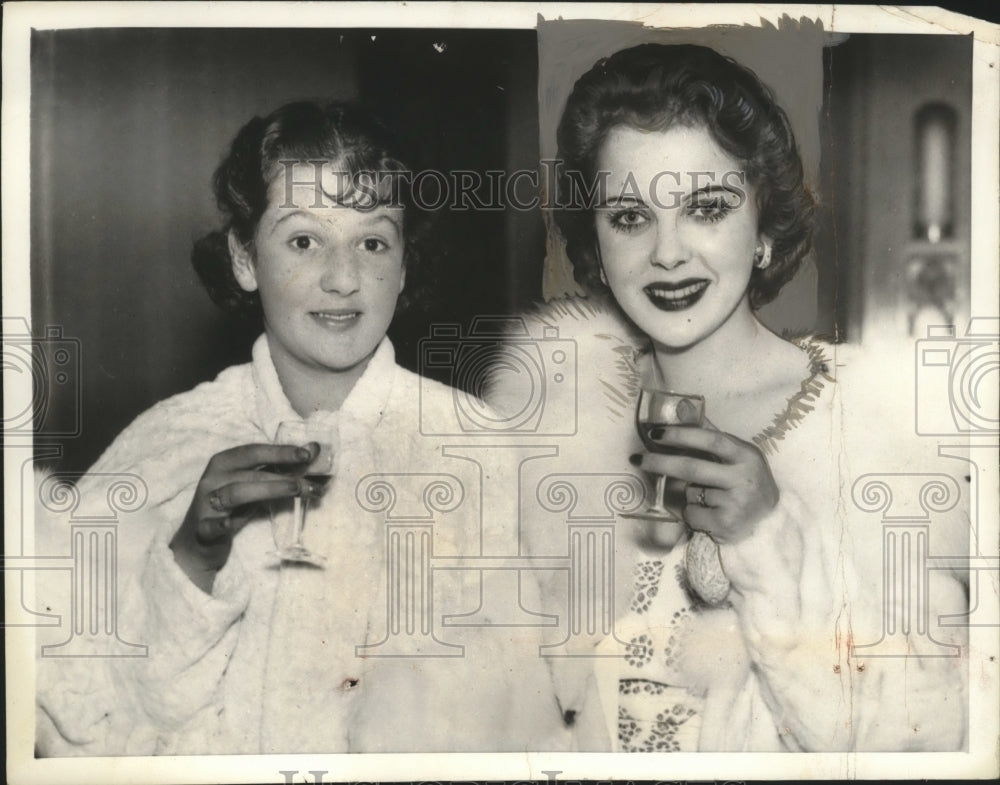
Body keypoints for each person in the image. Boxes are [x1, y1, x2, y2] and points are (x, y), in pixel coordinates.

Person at [35, 100, 570, 755]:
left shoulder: (484, 451)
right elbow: (99, 722)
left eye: (372, 242)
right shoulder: (170, 442)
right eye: (303, 241)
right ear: (244, 259)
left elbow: (541, 717)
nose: (343, 279)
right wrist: (194, 557)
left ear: (404, 264)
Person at [490, 43, 969, 751]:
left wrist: (765, 536)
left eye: (706, 209)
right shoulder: (550, 424)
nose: (667, 253)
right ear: (596, 242)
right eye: (630, 217)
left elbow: (921, 737)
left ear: (765, 229)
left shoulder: (873, 426)